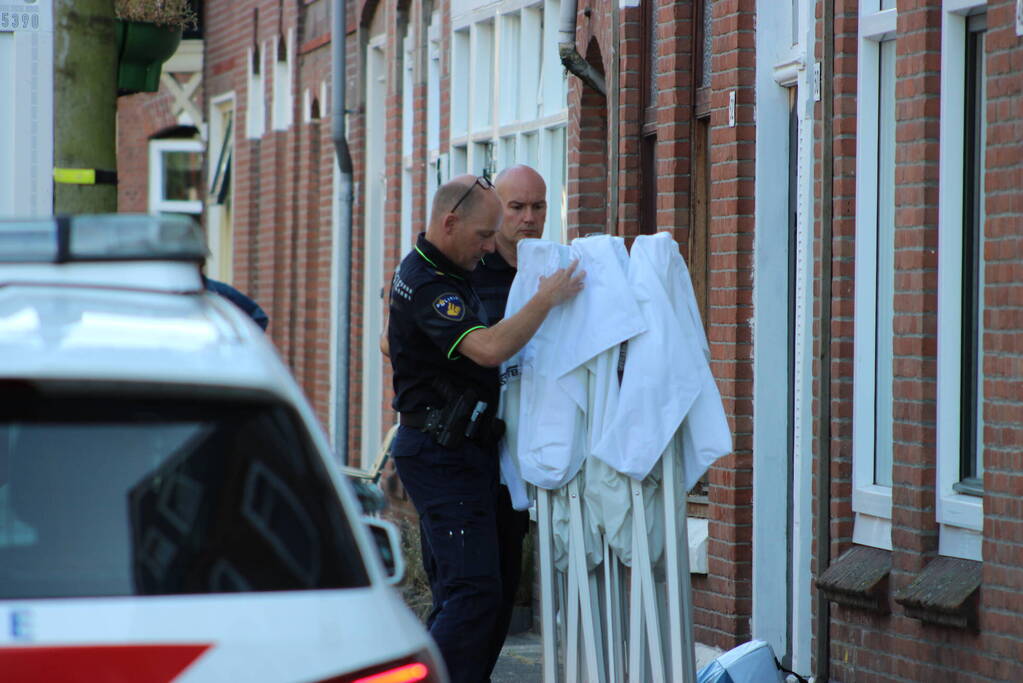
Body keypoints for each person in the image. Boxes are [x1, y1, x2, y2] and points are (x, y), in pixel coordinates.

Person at [387, 174, 583, 683]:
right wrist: (546, 299)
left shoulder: (444, 267)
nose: (489, 246)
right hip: (440, 452)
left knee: (478, 595)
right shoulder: (430, 282)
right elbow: (489, 350)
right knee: (473, 594)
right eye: (483, 235)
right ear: (450, 223)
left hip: (467, 450)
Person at [467, 164, 547, 675]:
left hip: (524, 460)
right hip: (465, 453)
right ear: (496, 210)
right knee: (467, 590)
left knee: (499, 589)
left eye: (538, 207)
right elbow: (397, 339)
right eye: (516, 208)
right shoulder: (467, 271)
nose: (528, 219)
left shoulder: (552, 270)